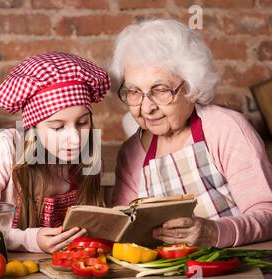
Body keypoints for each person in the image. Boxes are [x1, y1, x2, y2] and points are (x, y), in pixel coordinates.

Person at [111, 19, 272, 248]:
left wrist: (216, 232)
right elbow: (125, 230)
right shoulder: (131, 153)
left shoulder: (225, 128)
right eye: (134, 92)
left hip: (238, 275)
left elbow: (267, 213)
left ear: (191, 87)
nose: (147, 108)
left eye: (160, 90)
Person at [0, 52, 111, 253]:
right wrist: (29, 240)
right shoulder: (5, 148)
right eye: (58, 127)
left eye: (82, 122)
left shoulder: (87, 156)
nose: (76, 139)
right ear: (33, 127)